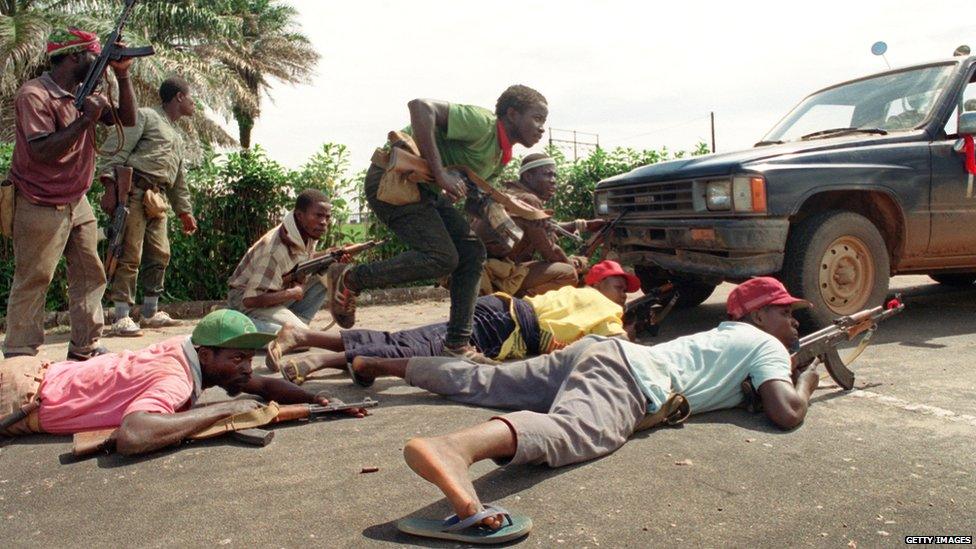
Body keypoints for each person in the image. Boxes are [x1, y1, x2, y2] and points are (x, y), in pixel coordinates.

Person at [351, 277, 820, 539]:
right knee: (575, 429)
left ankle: (378, 362)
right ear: (758, 316)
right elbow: (787, 413)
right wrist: (807, 377)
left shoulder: (727, 333)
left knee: (485, 378)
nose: (794, 321)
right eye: (785, 312)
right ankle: (456, 450)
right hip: (631, 378)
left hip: (600, 352)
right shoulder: (767, 346)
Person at [322, 85, 549, 363]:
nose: (541, 129)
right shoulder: (483, 125)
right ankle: (351, 277)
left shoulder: (499, 156)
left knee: (472, 252)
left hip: (423, 192)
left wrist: (503, 213)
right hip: (392, 180)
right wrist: (440, 173)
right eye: (537, 118)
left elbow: (466, 194)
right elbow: (420, 107)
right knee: (442, 257)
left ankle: (457, 345)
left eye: (544, 122)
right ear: (512, 114)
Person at [0, 310, 365, 456]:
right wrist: (227, 407)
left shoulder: (187, 350)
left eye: (247, 358)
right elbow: (134, 434)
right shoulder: (176, 378)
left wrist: (317, 397)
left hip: (34, 374)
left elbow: (262, 386)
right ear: (206, 355)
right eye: (237, 359)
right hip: (17, 395)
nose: (246, 368)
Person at [270, 260, 641, 385]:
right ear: (595, 283)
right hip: (503, 326)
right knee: (416, 347)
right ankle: (304, 334)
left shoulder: (578, 293)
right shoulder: (604, 307)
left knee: (413, 341)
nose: (622, 294)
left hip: (498, 314)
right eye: (617, 285)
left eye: (625, 289)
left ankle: (320, 356)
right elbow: (620, 345)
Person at [2, 28, 138, 361]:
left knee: (91, 275)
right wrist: (85, 119)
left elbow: (128, 119)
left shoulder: (84, 91)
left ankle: (85, 346)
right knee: (34, 279)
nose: (99, 63)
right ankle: (20, 354)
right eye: (96, 56)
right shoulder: (34, 95)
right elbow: (42, 152)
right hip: (39, 201)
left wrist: (122, 77)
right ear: (76, 56)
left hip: (77, 201)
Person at [99, 76, 199, 337]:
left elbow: (178, 180)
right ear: (178, 97)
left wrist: (184, 211)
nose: (194, 103)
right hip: (134, 192)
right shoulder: (144, 116)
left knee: (160, 253)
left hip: (159, 199)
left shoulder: (177, 136)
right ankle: (121, 315)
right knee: (129, 253)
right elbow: (115, 150)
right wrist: (110, 188)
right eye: (191, 97)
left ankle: (150, 312)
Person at [472, 153, 606, 296]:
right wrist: (574, 264)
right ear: (528, 177)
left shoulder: (512, 195)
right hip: (494, 274)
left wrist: (580, 225)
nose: (553, 181)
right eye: (548, 175)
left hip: (484, 269)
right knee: (568, 274)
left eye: (555, 176)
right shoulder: (529, 200)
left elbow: (542, 229)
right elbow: (549, 252)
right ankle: (514, 304)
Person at [226, 189, 333, 333]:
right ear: (300, 216)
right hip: (245, 301)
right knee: (301, 338)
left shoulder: (304, 232)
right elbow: (250, 299)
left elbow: (303, 259)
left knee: (328, 269)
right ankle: (232, 323)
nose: (323, 223)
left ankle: (297, 324)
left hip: (276, 290)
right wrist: (293, 293)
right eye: (318, 216)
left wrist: (330, 254)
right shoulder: (275, 250)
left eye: (327, 217)